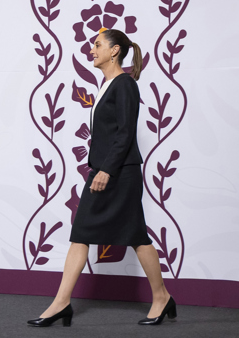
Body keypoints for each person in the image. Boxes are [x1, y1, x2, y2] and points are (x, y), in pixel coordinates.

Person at [27, 29, 175, 327]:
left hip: (119, 173)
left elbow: (125, 134)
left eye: (97, 45)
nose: (91, 49)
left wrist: (106, 170)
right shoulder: (108, 84)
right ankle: (62, 303)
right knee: (84, 232)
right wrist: (100, 168)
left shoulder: (125, 85)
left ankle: (161, 297)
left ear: (115, 50)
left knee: (133, 236)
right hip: (107, 171)